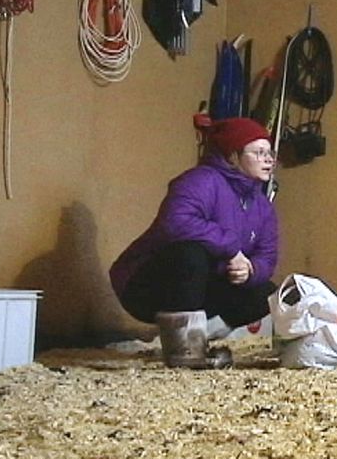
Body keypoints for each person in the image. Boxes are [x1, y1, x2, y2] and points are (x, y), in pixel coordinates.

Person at [110, 116, 279, 369]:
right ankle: (183, 351)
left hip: (204, 285)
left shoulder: (262, 205)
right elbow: (175, 222)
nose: (268, 160)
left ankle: (198, 338)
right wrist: (231, 249)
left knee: (266, 293)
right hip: (146, 284)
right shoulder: (201, 180)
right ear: (234, 155)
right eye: (258, 152)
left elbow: (267, 255)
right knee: (191, 253)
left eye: (270, 153)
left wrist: (250, 269)